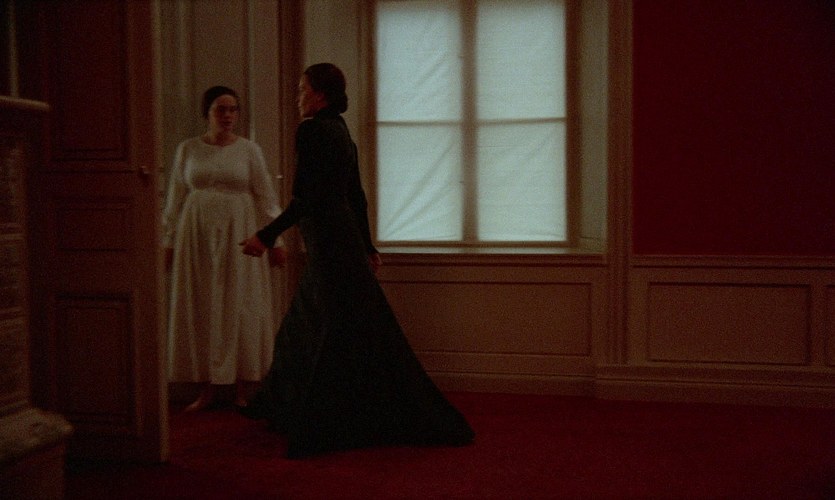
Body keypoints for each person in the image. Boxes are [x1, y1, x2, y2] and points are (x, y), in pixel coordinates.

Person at [239, 63, 474, 458]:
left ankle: (318, 419)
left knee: (324, 328)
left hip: (329, 243)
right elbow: (356, 196)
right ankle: (281, 405)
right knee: (314, 325)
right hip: (341, 240)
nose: (298, 98)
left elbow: (305, 199)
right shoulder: (342, 132)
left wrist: (266, 235)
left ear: (319, 95)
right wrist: (368, 246)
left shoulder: (312, 130)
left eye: (302, 90)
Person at [163, 86, 286, 412]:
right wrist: (167, 241)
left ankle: (242, 386)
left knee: (239, 301)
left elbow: (266, 197)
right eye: (221, 109)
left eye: (233, 110)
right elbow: (174, 198)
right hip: (196, 233)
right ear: (208, 112)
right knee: (202, 302)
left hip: (239, 230)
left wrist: (276, 240)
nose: (228, 116)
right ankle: (205, 387)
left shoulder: (249, 150)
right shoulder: (188, 149)